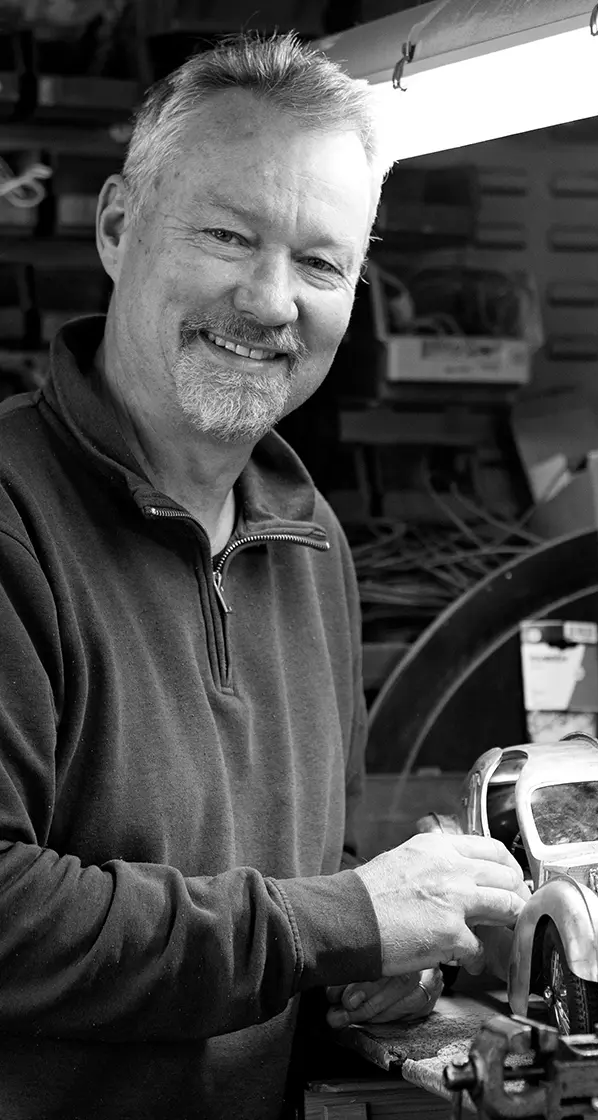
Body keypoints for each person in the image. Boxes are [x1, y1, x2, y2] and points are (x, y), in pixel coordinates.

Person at [0, 31, 528, 1120]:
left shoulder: (308, 540)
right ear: (115, 227)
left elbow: (298, 889)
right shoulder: (14, 515)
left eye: (322, 263)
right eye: (229, 235)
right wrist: (334, 919)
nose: (272, 301)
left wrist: (368, 969)